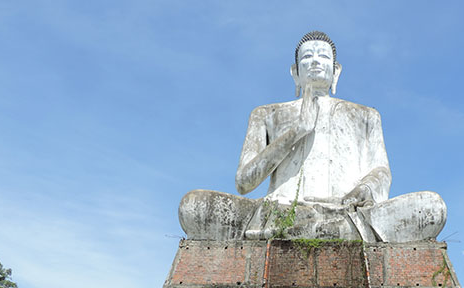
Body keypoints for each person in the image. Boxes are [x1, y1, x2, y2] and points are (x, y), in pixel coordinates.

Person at [178, 31, 446, 243]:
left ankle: (321, 228)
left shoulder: (366, 115)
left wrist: (361, 192)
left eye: (323, 57)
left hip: (348, 213)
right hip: (279, 212)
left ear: (336, 70)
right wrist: (296, 131)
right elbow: (244, 183)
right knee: (193, 206)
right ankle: (321, 230)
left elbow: (381, 173)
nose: (316, 61)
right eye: (307, 57)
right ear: (295, 72)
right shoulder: (267, 114)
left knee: (432, 207)